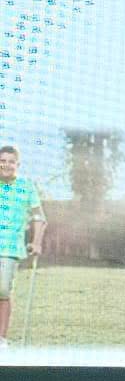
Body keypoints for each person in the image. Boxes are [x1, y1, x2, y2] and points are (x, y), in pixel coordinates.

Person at [0, 146, 47, 349]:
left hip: (9, 249)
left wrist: (36, 241)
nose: (6, 165)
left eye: (11, 161)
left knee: (2, 290)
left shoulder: (26, 187)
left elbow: (39, 218)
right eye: (2, 161)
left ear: (17, 164)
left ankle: (1, 339)